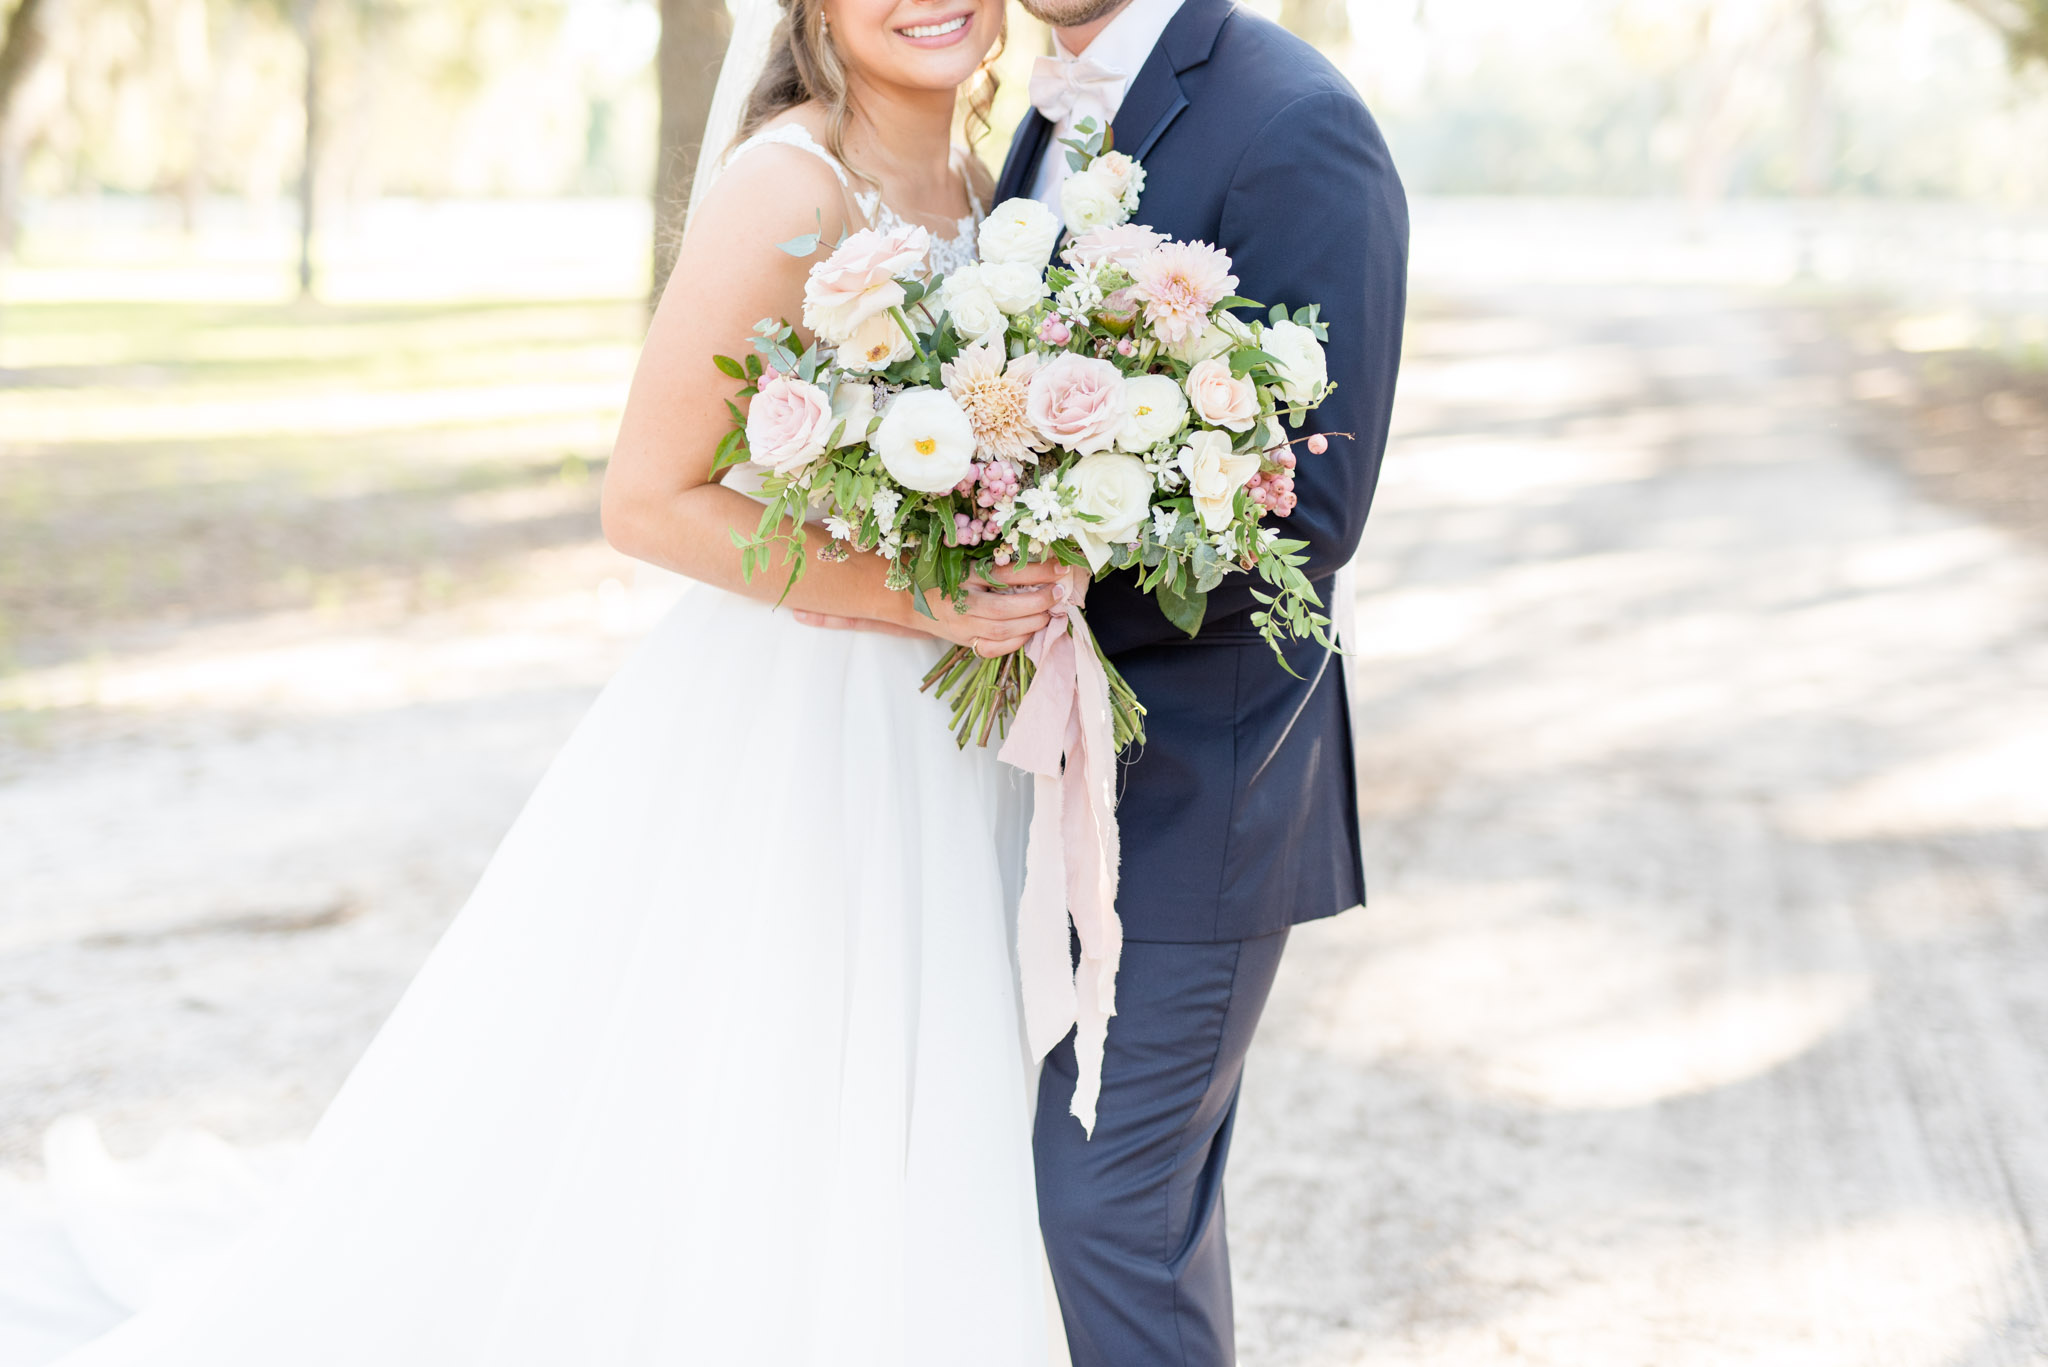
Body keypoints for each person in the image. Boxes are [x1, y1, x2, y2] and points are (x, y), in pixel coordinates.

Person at [3, 0, 1076, 1363]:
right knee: (782, 1059)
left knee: (917, 1064)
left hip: (946, 714)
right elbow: (646, 498)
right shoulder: (790, 184)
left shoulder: (1001, 188)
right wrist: (912, 596)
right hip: (810, 714)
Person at [1004, 0, 1409, 1361]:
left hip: (1200, 792)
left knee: (1110, 1213)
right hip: (1045, 783)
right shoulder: (1044, 115)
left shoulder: (1296, 120)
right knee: (1124, 1217)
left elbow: (1317, 508)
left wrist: (1047, 557)